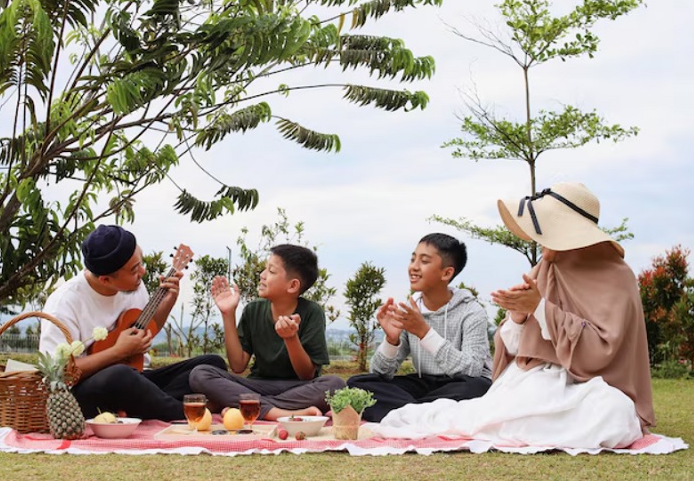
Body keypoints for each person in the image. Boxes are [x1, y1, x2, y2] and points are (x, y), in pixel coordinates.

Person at [374, 183, 655, 449]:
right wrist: (519, 317)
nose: (539, 240)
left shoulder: (616, 277)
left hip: (594, 384)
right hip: (539, 379)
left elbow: (604, 350)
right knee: (505, 407)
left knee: (615, 415)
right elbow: (514, 349)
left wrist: (540, 309)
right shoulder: (543, 271)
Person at [39, 225, 227, 421]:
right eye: (134, 270)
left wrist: (168, 301)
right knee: (120, 376)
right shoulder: (63, 304)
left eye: (140, 263)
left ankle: (141, 408)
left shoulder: (133, 285)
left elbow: (145, 329)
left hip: (137, 379)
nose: (143, 272)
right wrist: (117, 352)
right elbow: (58, 371)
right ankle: (186, 412)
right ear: (105, 279)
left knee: (211, 364)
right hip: (85, 392)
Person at [347, 233, 493, 422]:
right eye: (413, 259)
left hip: (459, 384)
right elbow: (381, 373)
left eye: (424, 261)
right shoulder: (410, 310)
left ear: (446, 273)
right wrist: (391, 341)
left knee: (478, 387)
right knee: (357, 384)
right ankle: (429, 415)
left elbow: (472, 370)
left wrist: (424, 332)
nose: (413, 267)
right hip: (425, 385)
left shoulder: (471, 311)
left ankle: (408, 414)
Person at [188, 244, 345, 421]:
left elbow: (306, 374)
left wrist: (291, 338)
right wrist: (228, 314)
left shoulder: (312, 312)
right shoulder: (253, 310)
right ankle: (277, 412)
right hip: (256, 385)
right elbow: (238, 366)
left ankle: (248, 406)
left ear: (293, 285)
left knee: (335, 385)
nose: (262, 275)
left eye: (271, 271)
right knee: (200, 374)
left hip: (298, 387)